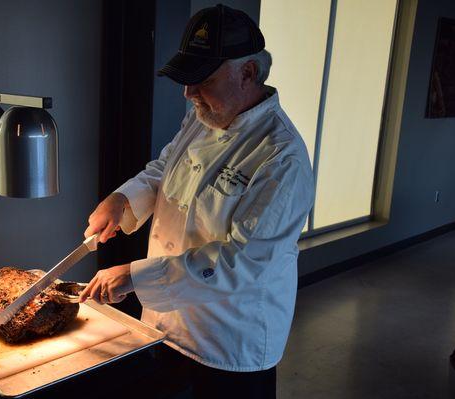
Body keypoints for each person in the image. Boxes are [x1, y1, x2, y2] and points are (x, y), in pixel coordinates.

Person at [80, 4, 314, 398]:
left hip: (228, 342)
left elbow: (241, 262)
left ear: (248, 73)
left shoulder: (282, 158)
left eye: (201, 79)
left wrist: (135, 276)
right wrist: (123, 199)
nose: (189, 94)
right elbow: (165, 167)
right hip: (165, 324)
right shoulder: (203, 114)